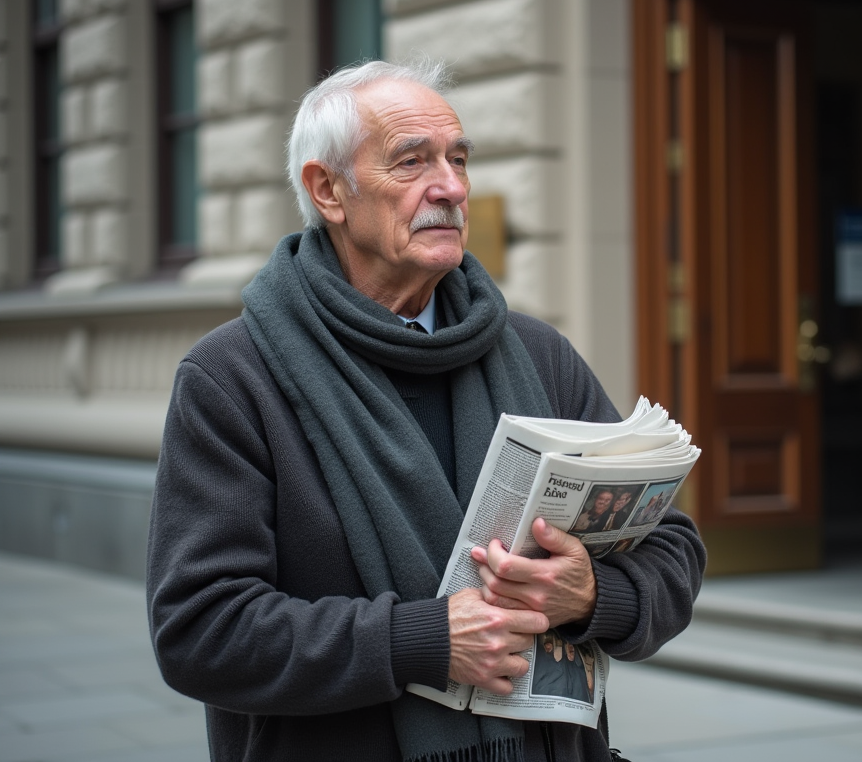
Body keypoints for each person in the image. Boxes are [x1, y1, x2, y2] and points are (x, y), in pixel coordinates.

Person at [146, 59, 705, 762]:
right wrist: (424, 641)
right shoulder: (233, 378)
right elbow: (200, 631)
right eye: (411, 162)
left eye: (459, 158)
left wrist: (591, 594)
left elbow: (675, 551)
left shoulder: (539, 354)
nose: (451, 187)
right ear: (328, 191)